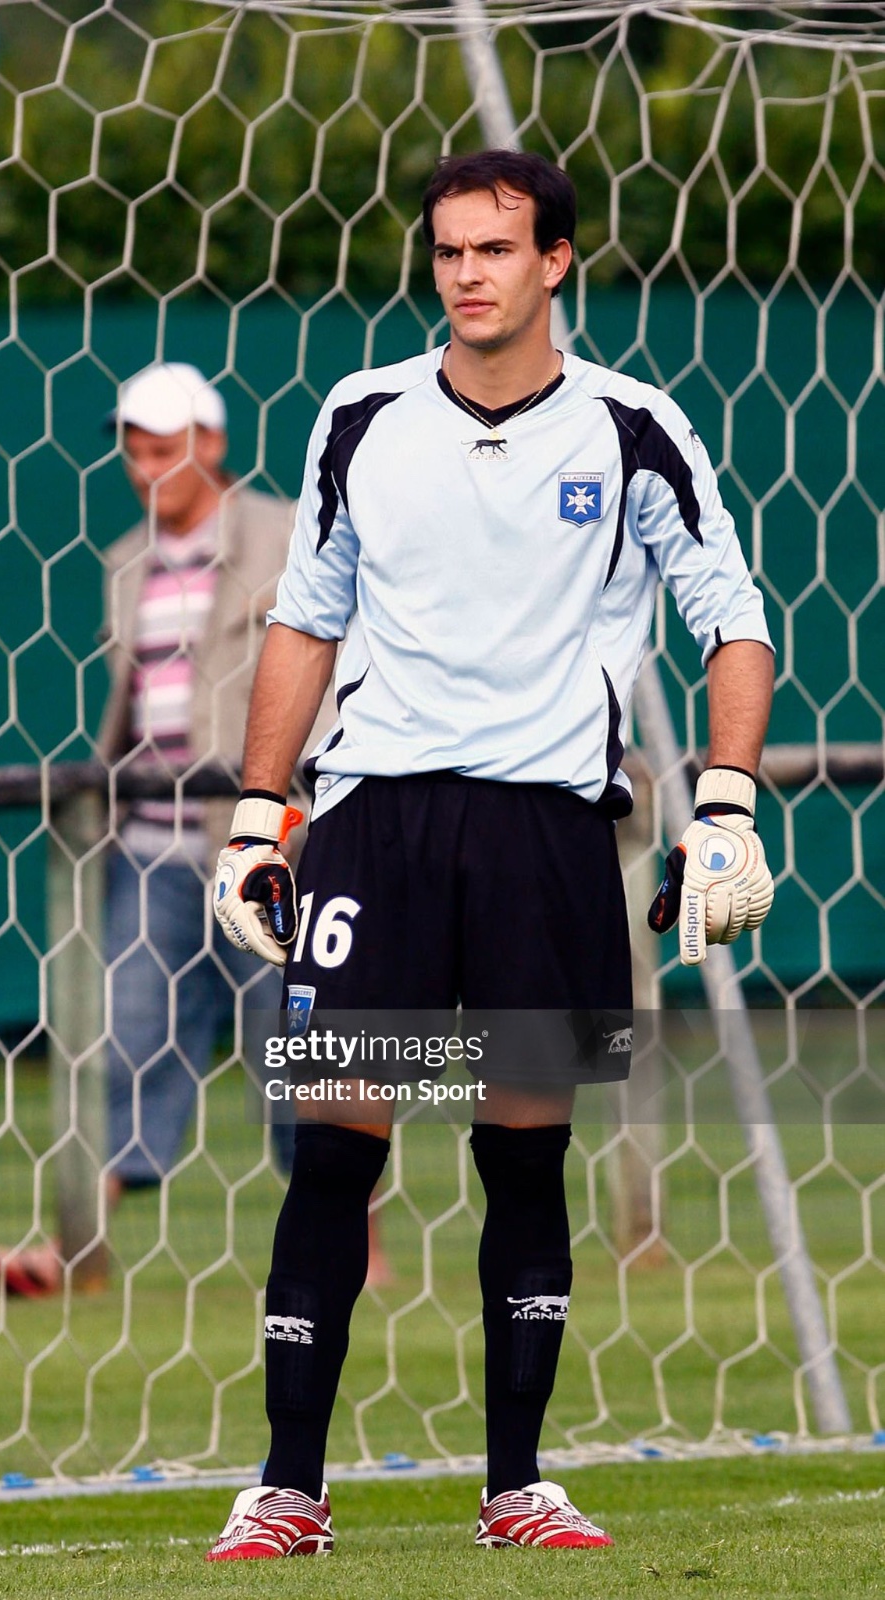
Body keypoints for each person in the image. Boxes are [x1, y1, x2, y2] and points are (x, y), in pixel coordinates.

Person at [208, 149, 775, 1557]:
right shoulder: (363, 415)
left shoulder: (632, 429)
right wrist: (254, 814)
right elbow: (304, 619)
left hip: (543, 832)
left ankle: (514, 1486)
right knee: (333, 1154)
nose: (466, 272)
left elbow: (733, 618)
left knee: (522, 1161)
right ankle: (285, 1489)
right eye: (449, 249)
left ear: (555, 262)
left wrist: (723, 806)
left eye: (495, 249)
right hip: (378, 822)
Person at [0, 362, 324, 1297]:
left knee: (301, 1051)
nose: (142, 466)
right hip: (149, 847)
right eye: (131, 449)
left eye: (162, 447)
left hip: (267, 845)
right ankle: (72, 1251)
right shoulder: (125, 561)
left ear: (212, 444)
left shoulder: (289, 537)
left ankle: (356, 1254)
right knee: (122, 1042)